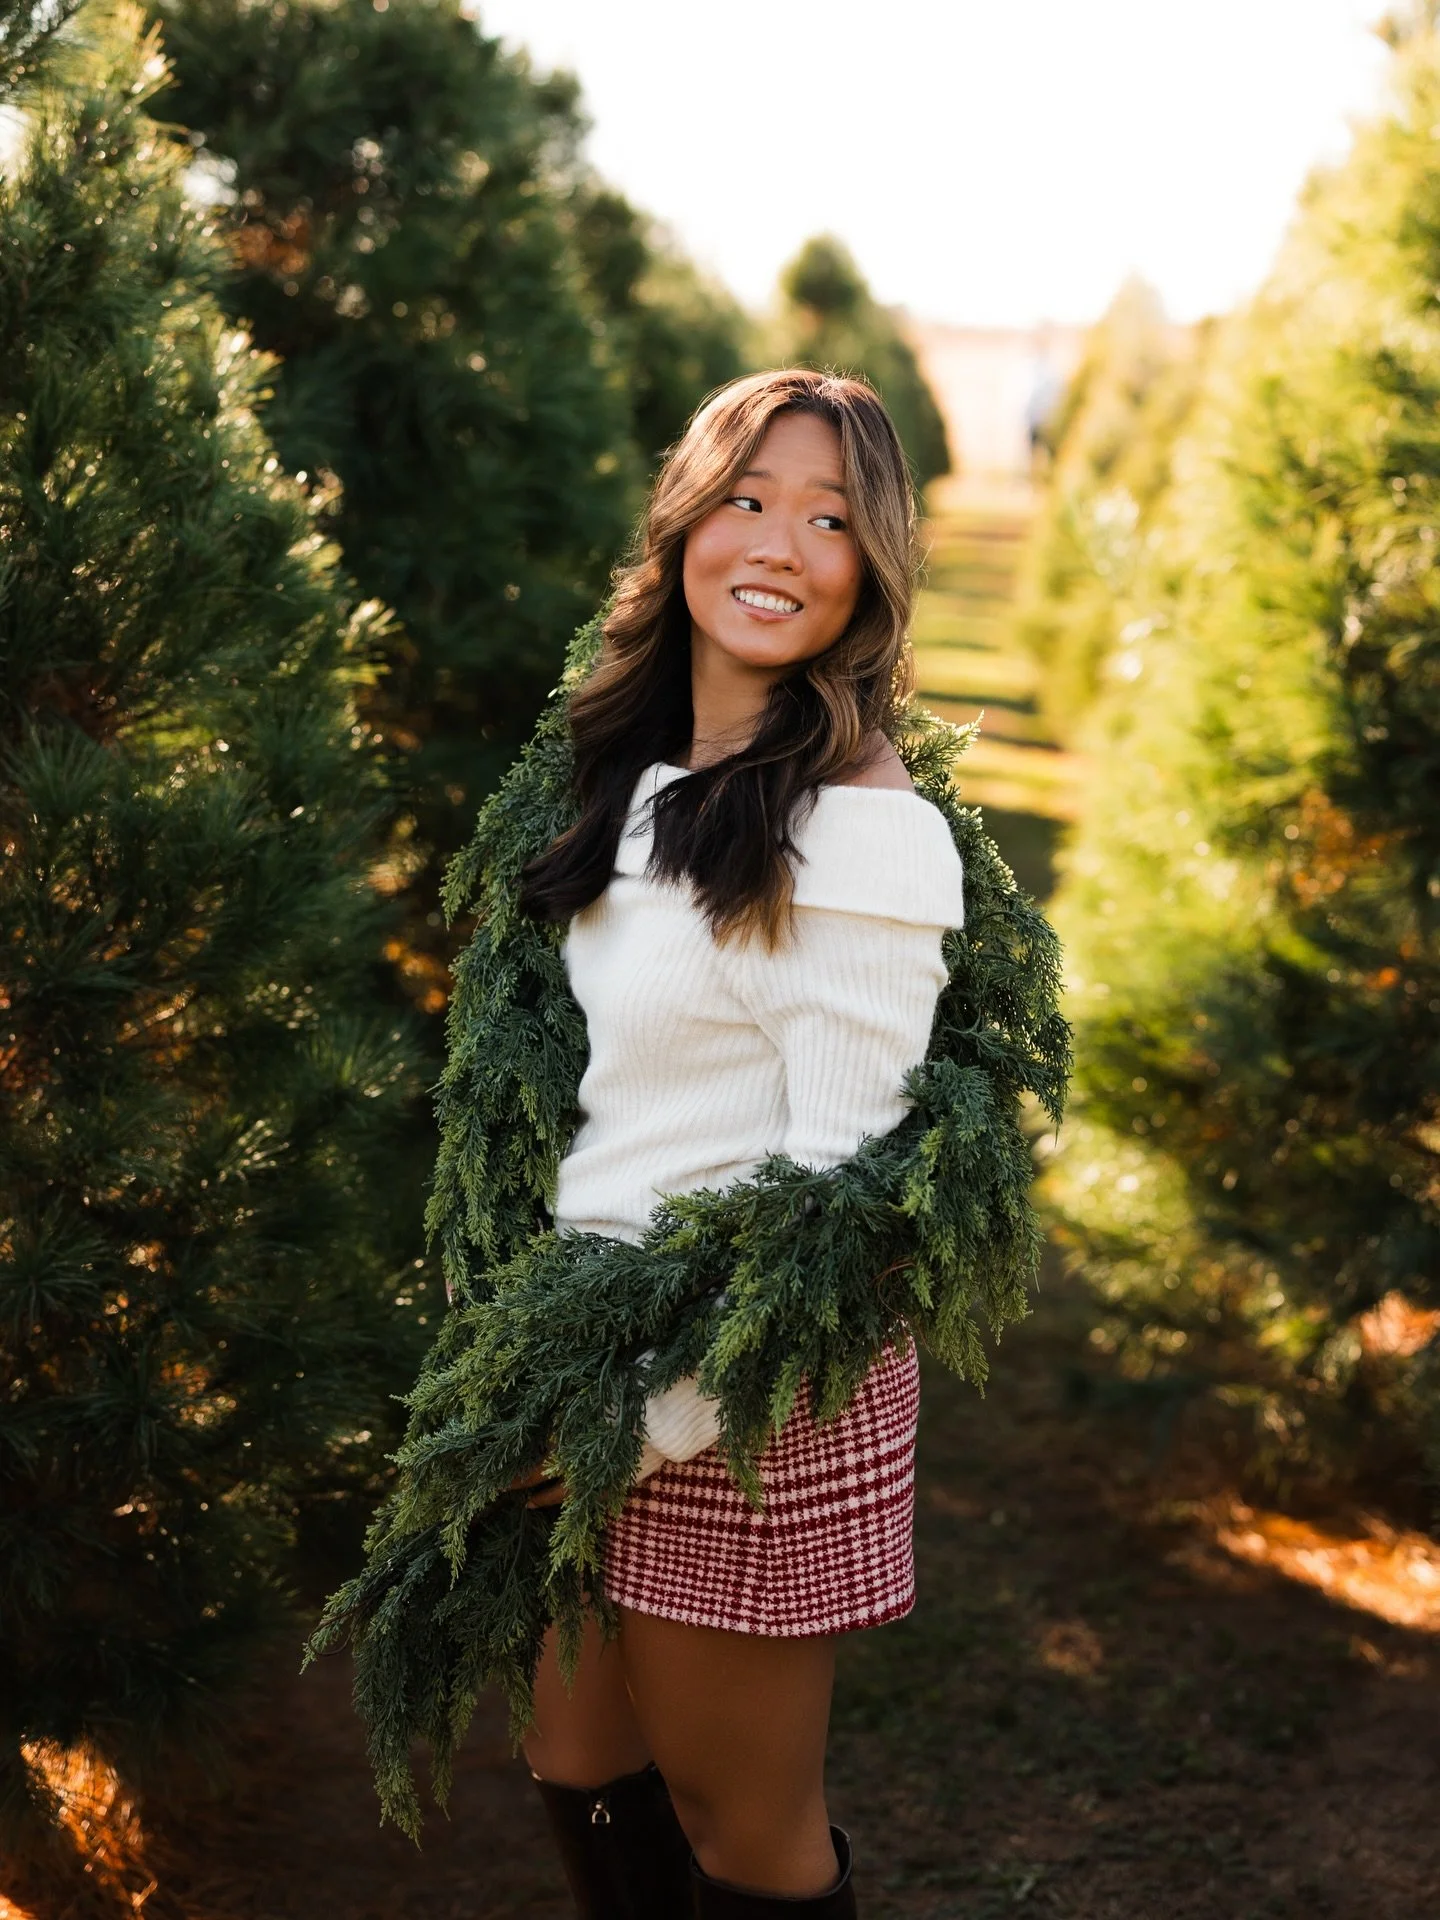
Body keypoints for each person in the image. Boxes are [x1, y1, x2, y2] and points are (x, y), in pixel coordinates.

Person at [509, 368, 967, 1917]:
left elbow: (845, 1199)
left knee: (745, 1833)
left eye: (829, 519)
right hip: (603, 1349)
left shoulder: (859, 829)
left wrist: (638, 1424)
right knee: (575, 1753)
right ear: (686, 522)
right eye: (748, 499)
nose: (779, 543)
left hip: (745, 1388)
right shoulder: (639, 782)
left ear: (871, 568)